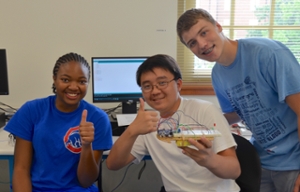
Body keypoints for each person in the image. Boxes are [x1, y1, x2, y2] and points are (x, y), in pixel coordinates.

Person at [177, 8, 300, 192]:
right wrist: (197, 124)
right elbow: (235, 114)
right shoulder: (217, 74)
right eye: (192, 43)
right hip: (262, 161)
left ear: (218, 27)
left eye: (204, 32)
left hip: (294, 162)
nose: (202, 44)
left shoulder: (268, 53)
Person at [106, 54, 241, 192]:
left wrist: (209, 160)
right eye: (147, 86)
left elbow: (234, 170)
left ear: (179, 84)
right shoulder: (148, 123)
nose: (155, 91)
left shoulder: (205, 110)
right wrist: (131, 131)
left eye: (162, 83)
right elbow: (113, 164)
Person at [4, 52, 113, 192]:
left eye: (82, 81)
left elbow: (86, 181)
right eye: (66, 80)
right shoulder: (31, 110)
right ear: (54, 79)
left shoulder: (98, 118)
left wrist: (86, 146)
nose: (74, 87)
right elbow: (21, 169)